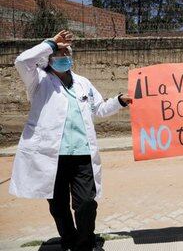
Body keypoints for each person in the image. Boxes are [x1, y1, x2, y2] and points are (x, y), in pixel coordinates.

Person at [9, 30, 132, 250]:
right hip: (51, 156)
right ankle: (69, 239)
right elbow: (22, 61)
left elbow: (99, 109)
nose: (64, 55)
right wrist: (51, 43)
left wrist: (119, 101)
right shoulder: (38, 80)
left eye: (67, 51)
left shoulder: (83, 83)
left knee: (86, 202)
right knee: (58, 206)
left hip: (82, 154)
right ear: (49, 57)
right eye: (59, 52)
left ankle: (85, 243)